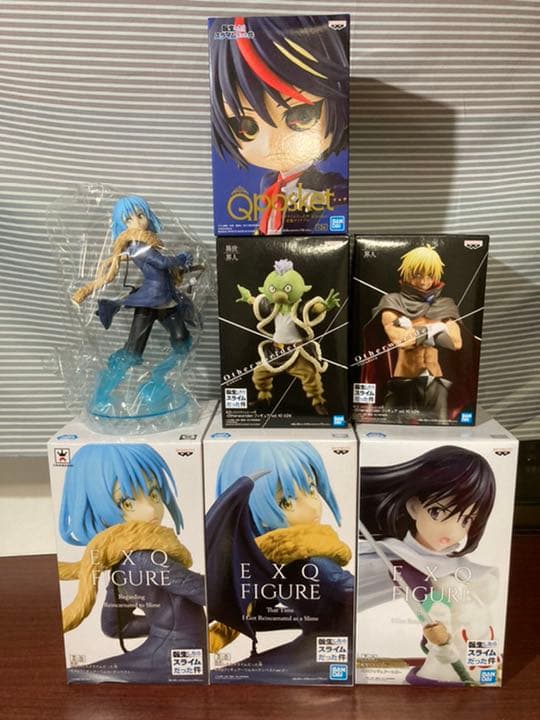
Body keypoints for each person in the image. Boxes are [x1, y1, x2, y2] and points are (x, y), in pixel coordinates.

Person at [206, 441, 354, 683]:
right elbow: (261, 609)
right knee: (224, 677)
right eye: (287, 502)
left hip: (334, 649)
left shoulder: (312, 561)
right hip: (317, 643)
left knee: (226, 678)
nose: (313, 506)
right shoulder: (274, 559)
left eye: (311, 489)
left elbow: (351, 593)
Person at [58, 443, 207, 683]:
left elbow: (115, 627)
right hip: (180, 656)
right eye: (127, 503)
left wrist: (162, 625)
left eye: (154, 494)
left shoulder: (120, 564)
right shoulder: (149, 559)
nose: (151, 510)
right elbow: (209, 593)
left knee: (82, 675)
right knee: (82, 676)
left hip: (170, 651)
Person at [358, 446, 498, 686]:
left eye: (466, 520)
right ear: (414, 507)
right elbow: (427, 599)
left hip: (474, 657)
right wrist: (438, 632)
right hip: (446, 660)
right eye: (437, 512)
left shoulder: (453, 563)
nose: (452, 531)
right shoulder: (401, 560)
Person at [209, 16, 349, 234]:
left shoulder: (323, 180)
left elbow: (342, 193)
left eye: (302, 116)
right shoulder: (268, 183)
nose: (269, 145)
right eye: (246, 127)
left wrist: (320, 198)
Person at [72, 195, 197, 415]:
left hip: (166, 301)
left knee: (181, 340)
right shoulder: (137, 246)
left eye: (140, 216)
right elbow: (162, 263)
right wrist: (181, 257)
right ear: (121, 225)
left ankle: (159, 376)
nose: (137, 222)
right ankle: (103, 393)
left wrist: (181, 268)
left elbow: (164, 267)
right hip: (149, 302)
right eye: (129, 220)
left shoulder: (150, 242)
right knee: (133, 351)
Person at [372, 244, 462, 421]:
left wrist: (415, 331)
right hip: (404, 381)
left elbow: (456, 342)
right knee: (392, 429)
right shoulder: (393, 302)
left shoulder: (444, 305)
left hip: (435, 381)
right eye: (417, 275)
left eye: (429, 275)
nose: (423, 282)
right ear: (407, 274)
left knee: (439, 430)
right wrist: (435, 328)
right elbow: (401, 341)